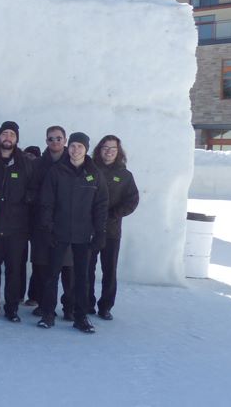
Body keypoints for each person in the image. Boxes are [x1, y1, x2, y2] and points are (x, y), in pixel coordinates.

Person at [37, 132, 108, 333]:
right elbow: (47, 202)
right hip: (58, 232)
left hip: (83, 234)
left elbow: (101, 205)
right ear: (68, 148)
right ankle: (48, 314)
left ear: (86, 150)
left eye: (80, 147)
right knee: (52, 275)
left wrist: (100, 231)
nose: (76, 150)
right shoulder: (57, 171)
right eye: (73, 146)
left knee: (82, 277)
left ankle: (80, 316)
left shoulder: (94, 173)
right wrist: (47, 228)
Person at [0, 121, 34, 322]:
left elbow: (34, 190)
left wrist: (24, 202)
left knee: (14, 270)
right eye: (5, 134)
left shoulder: (26, 164)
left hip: (16, 227)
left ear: (17, 139)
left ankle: (12, 308)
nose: (8, 137)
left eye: (12, 134)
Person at [89, 134, 137, 321]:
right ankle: (87, 303)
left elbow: (132, 200)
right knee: (87, 269)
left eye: (112, 149)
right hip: (89, 229)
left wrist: (114, 214)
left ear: (118, 152)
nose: (108, 152)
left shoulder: (125, 176)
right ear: (99, 150)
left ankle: (106, 306)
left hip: (112, 230)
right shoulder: (90, 170)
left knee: (109, 270)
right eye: (105, 148)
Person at [26, 125, 72, 312]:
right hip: (41, 222)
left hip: (66, 222)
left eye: (58, 138)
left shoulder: (73, 162)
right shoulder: (38, 164)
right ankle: (45, 304)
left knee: (68, 268)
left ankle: (69, 307)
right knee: (42, 266)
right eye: (51, 139)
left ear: (65, 140)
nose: (55, 142)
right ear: (46, 141)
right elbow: (30, 189)